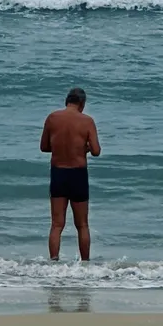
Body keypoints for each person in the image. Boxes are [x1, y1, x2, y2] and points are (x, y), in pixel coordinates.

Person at [40, 87, 101, 261]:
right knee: (82, 224)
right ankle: (85, 264)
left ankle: (53, 261)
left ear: (66, 101)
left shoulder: (52, 118)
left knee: (57, 224)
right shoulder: (87, 121)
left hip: (58, 173)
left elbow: (44, 147)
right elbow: (96, 151)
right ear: (82, 103)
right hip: (78, 174)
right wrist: (84, 148)